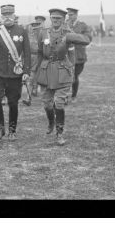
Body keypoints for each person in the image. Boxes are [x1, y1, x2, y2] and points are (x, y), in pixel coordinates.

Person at [36, 9, 91, 145]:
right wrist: (35, 71)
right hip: (46, 69)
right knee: (47, 102)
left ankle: (60, 133)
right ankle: (51, 123)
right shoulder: (43, 32)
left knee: (59, 103)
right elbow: (39, 52)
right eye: (53, 18)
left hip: (62, 70)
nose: (56, 20)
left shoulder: (68, 33)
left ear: (63, 19)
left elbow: (85, 41)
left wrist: (69, 38)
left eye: (59, 18)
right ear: (50, 18)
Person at [0, 4, 31, 142]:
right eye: (4, 15)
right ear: (1, 16)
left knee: (13, 103)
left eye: (10, 15)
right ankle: (0, 129)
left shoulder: (21, 30)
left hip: (15, 73)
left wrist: (26, 71)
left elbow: (27, 53)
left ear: (14, 16)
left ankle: (12, 130)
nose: (7, 18)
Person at [66, 7, 93, 103]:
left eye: (71, 15)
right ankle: (64, 96)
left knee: (75, 76)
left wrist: (74, 36)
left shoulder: (82, 26)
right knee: (65, 76)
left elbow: (88, 38)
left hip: (79, 56)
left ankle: (73, 96)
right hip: (68, 55)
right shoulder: (65, 25)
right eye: (68, 15)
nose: (69, 17)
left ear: (76, 15)